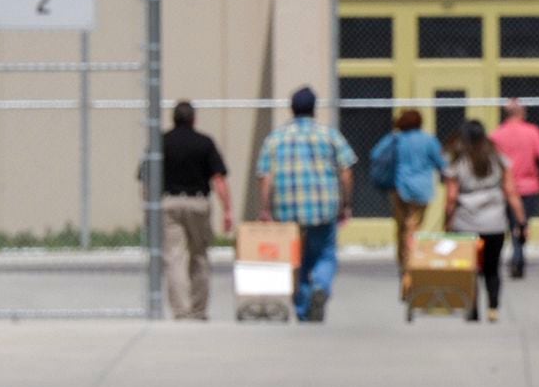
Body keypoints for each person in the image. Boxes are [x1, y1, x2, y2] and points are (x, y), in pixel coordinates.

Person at [252, 86, 357, 323]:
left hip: (287, 208)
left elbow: (265, 175)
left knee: (295, 259)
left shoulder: (275, 138)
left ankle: (303, 308)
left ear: (292, 108)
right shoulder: (329, 135)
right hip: (324, 206)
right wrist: (346, 203)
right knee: (325, 254)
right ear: (314, 109)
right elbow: (346, 170)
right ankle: (320, 286)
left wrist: (265, 208)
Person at [154, 100, 230, 321]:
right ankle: (198, 309)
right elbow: (219, 178)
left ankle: (181, 309)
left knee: (174, 257)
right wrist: (227, 210)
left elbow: (146, 177)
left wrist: (149, 207)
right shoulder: (204, 143)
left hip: (169, 203)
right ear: (193, 119)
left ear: (173, 118)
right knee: (199, 255)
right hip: (198, 203)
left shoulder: (161, 143)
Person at [443, 119, 524, 323]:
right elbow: (511, 191)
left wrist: (447, 220)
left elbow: (451, 197)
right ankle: (493, 308)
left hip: (466, 222)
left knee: (468, 268)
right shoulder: (498, 159)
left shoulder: (459, 162)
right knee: (492, 267)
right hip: (494, 222)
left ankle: (472, 308)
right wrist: (521, 220)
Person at [372, 107, 447, 284]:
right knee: (414, 227)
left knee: (401, 227)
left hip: (398, 188)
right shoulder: (428, 140)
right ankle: (411, 265)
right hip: (421, 189)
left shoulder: (394, 139)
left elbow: (375, 154)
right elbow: (441, 163)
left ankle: (403, 263)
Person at [490, 99, 539, 281]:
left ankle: (517, 253)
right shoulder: (532, 132)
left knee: (511, 223)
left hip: (505, 188)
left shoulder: (497, 135)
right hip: (529, 186)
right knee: (523, 222)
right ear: (521, 113)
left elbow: (491, 161)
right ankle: (519, 254)